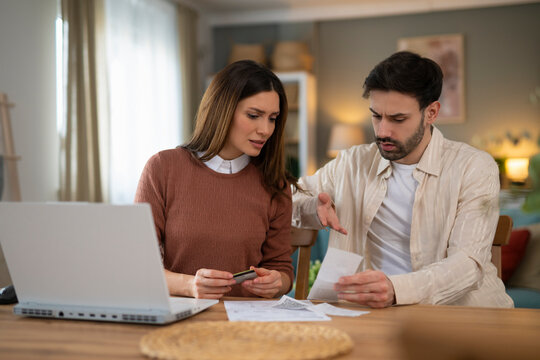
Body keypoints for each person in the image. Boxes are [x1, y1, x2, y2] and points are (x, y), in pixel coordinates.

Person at [292, 51, 513, 308]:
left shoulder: (474, 166)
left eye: (398, 119)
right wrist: (312, 207)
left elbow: (467, 263)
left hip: (460, 317)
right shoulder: (352, 162)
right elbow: (292, 198)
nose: (383, 131)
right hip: (372, 314)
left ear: (431, 112)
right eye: (376, 116)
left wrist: (397, 289)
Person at [135, 60, 295, 299]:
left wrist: (277, 282)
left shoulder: (275, 184)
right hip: (180, 319)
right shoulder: (162, 168)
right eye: (254, 115)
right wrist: (190, 286)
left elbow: (281, 268)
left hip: (248, 324)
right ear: (222, 110)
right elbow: (138, 266)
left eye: (272, 118)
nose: (266, 129)